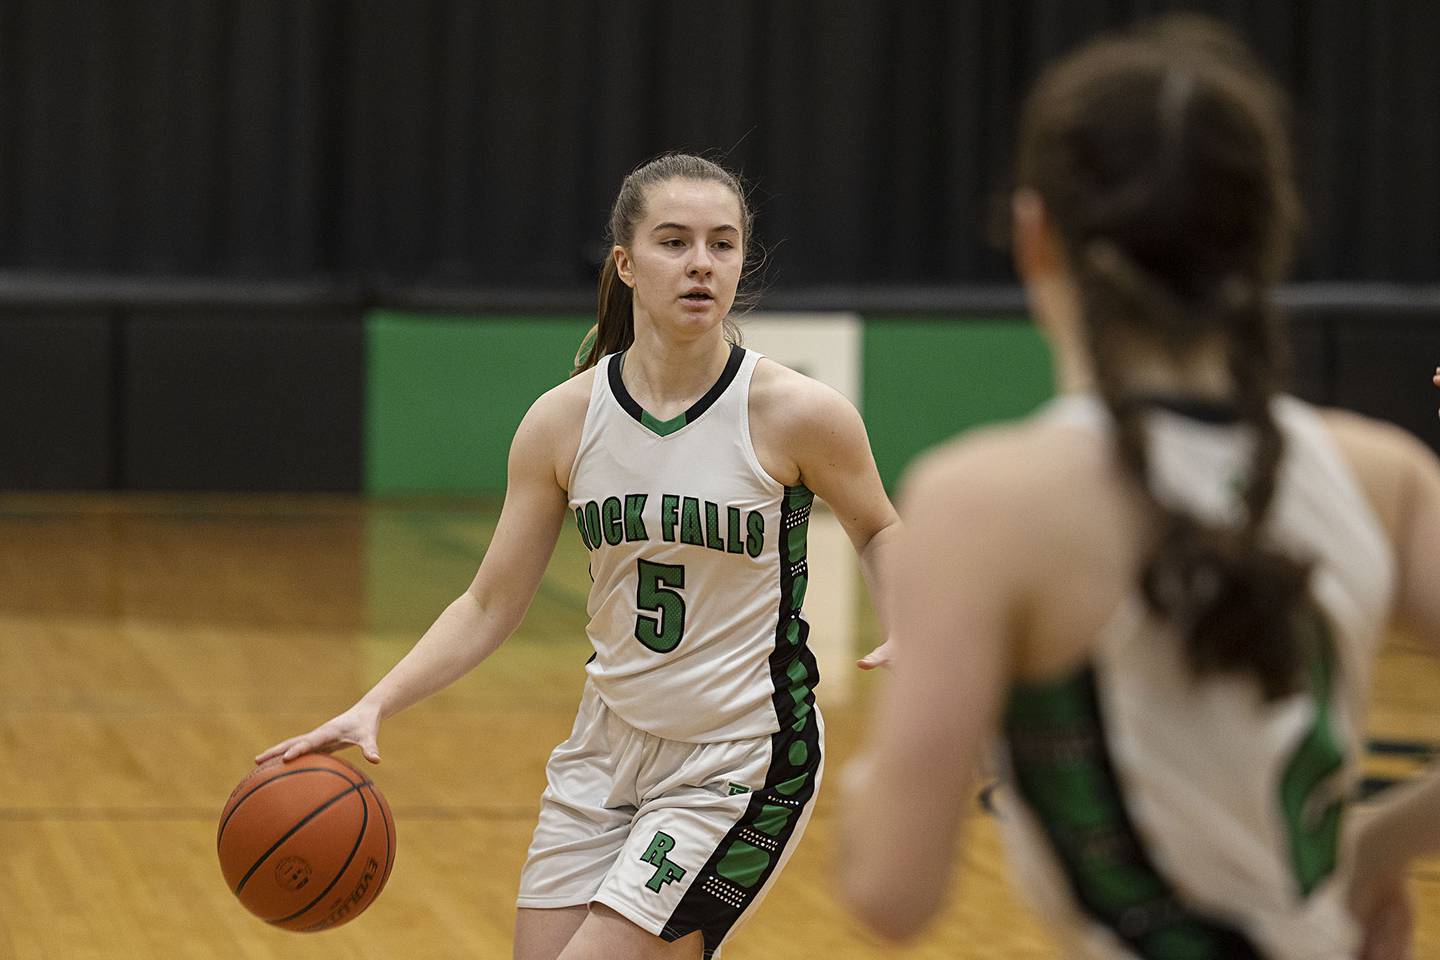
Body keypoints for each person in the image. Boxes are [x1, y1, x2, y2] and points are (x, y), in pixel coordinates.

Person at [838, 15, 1440, 960]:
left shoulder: (981, 503)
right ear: (1265, 239)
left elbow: (890, 893)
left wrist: (886, 768)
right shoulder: (1386, 474)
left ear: (1035, 236)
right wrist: (1371, 849)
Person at [258, 152, 899, 960]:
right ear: (626, 264)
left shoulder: (797, 413)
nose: (701, 262)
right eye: (674, 242)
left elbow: (878, 527)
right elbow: (490, 603)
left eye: (723, 244)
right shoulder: (565, 421)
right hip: (605, 748)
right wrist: (376, 702)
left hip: (743, 755)